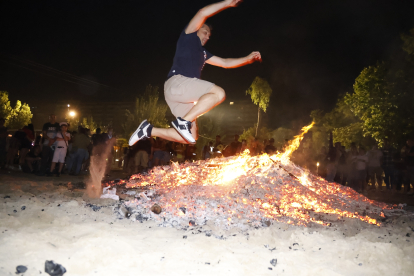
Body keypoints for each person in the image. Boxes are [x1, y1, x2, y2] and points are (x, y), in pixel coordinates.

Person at [129, 0, 262, 146]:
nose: (207, 37)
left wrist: (247, 59)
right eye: (205, 32)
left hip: (178, 95)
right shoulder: (188, 37)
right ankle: (183, 122)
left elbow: (225, 63)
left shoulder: (203, 53)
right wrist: (227, 3)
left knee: (190, 137)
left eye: (209, 36)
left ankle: (148, 130)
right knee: (219, 93)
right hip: (177, 83)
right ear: (197, 29)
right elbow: (202, 13)